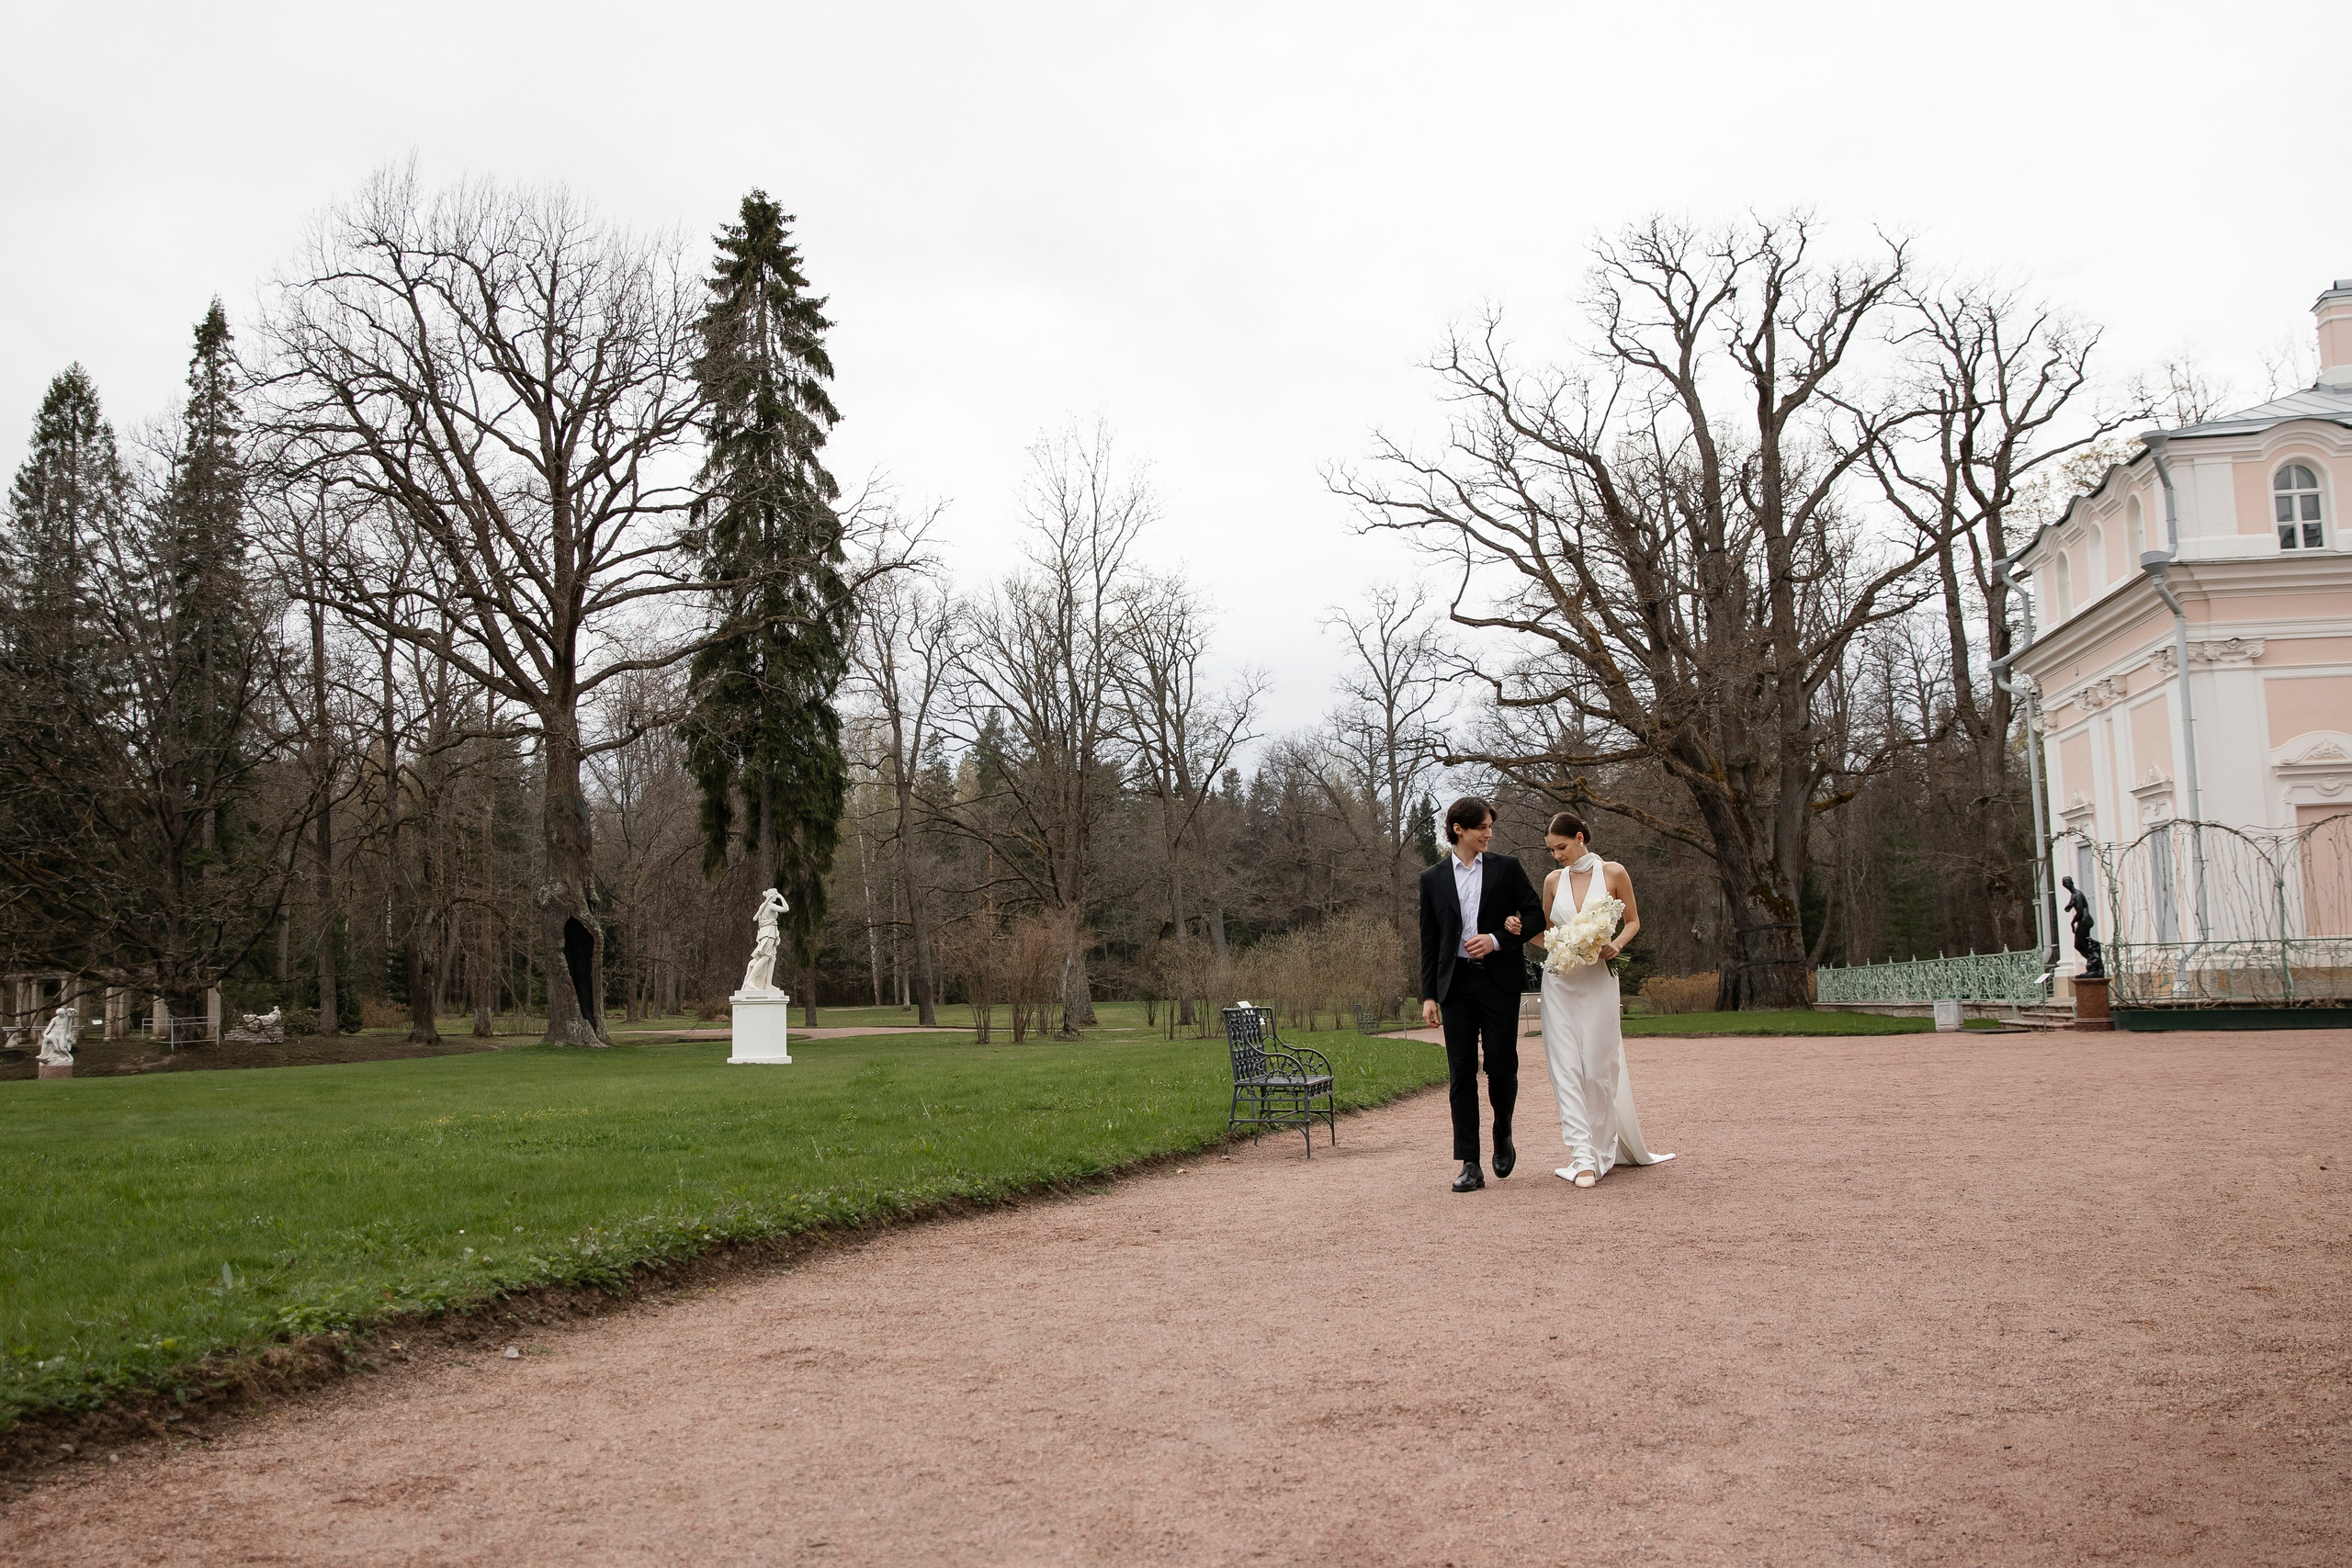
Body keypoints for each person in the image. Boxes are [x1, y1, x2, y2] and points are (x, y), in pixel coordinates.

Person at [1529, 811, 1672, 1187]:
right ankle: (1581, 1157)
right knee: (1566, 1069)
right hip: (1559, 981)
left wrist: (1616, 945)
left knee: (1597, 1068)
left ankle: (1602, 1151)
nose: (1556, 855)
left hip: (1599, 981)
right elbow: (1543, 932)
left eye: (1561, 847)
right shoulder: (1552, 880)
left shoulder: (1613, 872)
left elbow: (1633, 921)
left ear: (1580, 837)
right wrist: (1526, 935)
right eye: (1551, 850)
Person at [1419, 796, 1545, 1193]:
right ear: (1460, 829)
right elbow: (1429, 940)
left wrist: (1495, 939)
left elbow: (1535, 916)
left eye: (1491, 827)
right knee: (1461, 1074)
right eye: (1483, 828)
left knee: (1502, 1066)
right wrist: (1428, 995)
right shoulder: (1433, 878)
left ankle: (1503, 1131)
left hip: (1498, 982)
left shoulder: (1506, 868)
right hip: (1455, 987)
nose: (1489, 834)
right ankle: (1470, 1163)